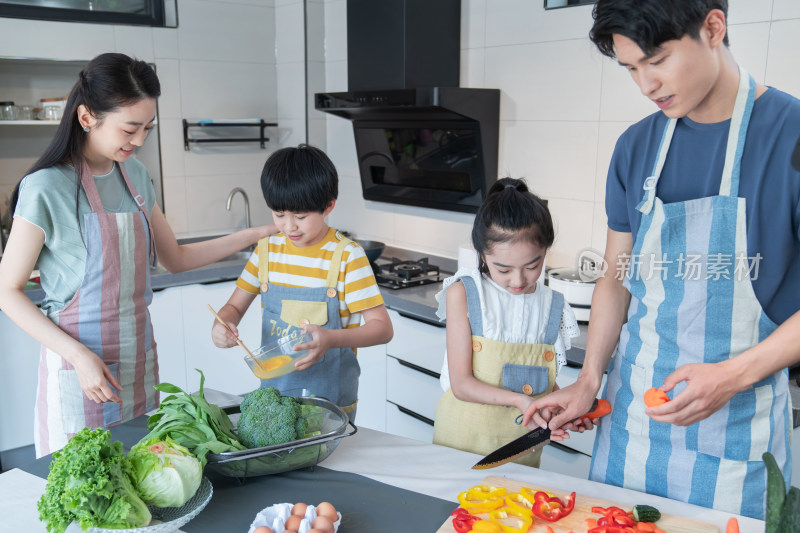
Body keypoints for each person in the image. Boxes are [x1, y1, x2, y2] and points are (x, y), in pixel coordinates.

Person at [522, 0, 800, 519]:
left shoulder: (791, 134)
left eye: (658, 60)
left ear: (713, 27)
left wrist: (732, 376)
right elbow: (615, 277)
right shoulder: (636, 147)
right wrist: (590, 380)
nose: (646, 85)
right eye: (631, 69)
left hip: (740, 430)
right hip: (633, 427)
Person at [0, 53, 278, 457]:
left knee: (144, 483)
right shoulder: (46, 187)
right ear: (86, 117)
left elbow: (176, 259)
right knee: (87, 496)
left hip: (138, 366)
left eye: (148, 127)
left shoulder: (136, 177)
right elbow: (7, 291)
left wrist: (256, 234)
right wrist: (78, 357)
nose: (140, 140)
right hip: (81, 371)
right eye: (130, 128)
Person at [210, 144, 393, 420]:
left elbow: (382, 329)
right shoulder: (266, 252)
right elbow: (234, 307)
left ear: (328, 206)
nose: (289, 226)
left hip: (330, 405)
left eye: (301, 216)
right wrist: (222, 324)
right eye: (279, 214)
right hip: (273, 400)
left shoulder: (347, 257)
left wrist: (331, 338)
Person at [432, 177, 580, 467]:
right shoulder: (465, 293)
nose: (518, 280)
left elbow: (541, 382)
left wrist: (564, 406)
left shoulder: (553, 306)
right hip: (460, 446)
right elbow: (462, 385)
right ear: (482, 254)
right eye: (503, 268)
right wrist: (519, 400)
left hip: (522, 450)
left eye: (532, 266)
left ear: (546, 251)